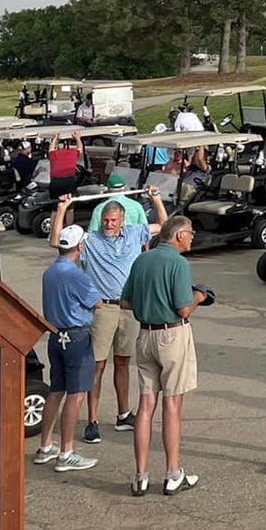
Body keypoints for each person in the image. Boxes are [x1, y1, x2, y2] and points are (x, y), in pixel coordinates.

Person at [54, 185, 167, 444]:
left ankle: (123, 413)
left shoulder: (134, 233)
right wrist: (62, 209)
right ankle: (92, 420)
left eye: (113, 220)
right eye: (105, 220)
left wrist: (156, 198)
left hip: (128, 308)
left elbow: (165, 226)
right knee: (98, 365)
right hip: (102, 308)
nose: (108, 224)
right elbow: (56, 241)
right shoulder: (90, 240)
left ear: (122, 220)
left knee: (123, 361)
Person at [118, 216, 207, 496]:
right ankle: (172, 472)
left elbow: (125, 300)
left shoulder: (142, 260)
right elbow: (183, 308)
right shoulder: (178, 263)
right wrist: (200, 297)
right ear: (179, 235)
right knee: (172, 405)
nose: (192, 237)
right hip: (171, 334)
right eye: (190, 233)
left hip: (145, 334)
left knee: (145, 406)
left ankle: (140, 475)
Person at [34, 224, 104, 473]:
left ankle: (45, 446)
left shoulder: (50, 272)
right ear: (80, 247)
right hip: (76, 336)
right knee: (76, 394)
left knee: (56, 390)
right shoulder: (76, 275)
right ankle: (67, 451)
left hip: (55, 336)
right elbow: (97, 303)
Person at [47, 134, 83, 199]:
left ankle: (55, 208)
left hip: (56, 182)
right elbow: (80, 148)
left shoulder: (54, 154)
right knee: (69, 201)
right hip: (69, 181)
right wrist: (78, 138)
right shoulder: (72, 153)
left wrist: (55, 138)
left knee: (55, 201)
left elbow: (51, 149)